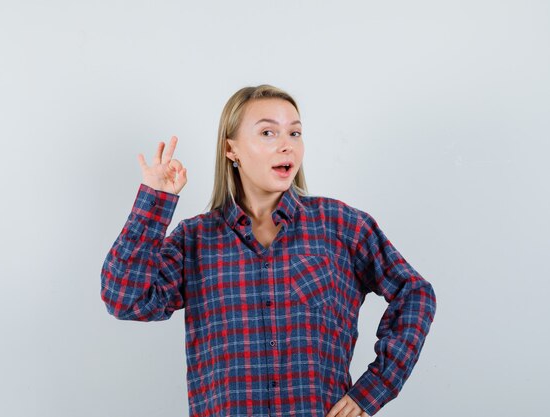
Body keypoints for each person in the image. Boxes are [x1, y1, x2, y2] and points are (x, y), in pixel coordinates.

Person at [100, 85, 437, 417]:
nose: (286, 146)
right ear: (231, 149)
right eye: (268, 133)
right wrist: (156, 199)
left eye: (295, 133)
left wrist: (374, 388)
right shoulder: (195, 239)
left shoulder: (339, 225)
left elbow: (415, 292)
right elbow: (125, 299)